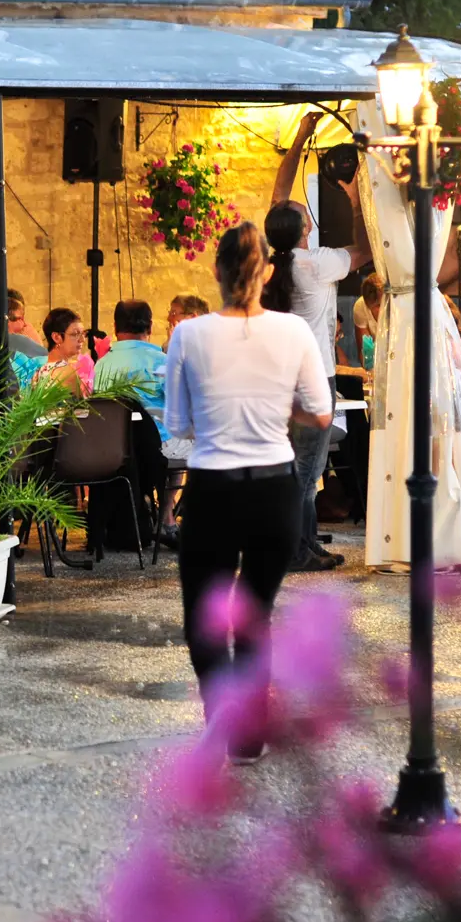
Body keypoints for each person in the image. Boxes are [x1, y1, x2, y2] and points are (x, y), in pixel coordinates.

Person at [163, 222, 332, 764]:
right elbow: (322, 411)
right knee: (255, 612)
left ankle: (223, 720)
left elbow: (178, 425)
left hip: (213, 490)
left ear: (216, 272)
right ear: (267, 273)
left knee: (203, 614)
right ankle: (249, 736)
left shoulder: (187, 335)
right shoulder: (294, 332)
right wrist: (280, 408)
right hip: (275, 492)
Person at [267, 111, 372, 573]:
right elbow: (366, 249)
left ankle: (303, 543)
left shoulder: (279, 263)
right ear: (302, 228)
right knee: (307, 470)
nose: (307, 213)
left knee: (293, 463)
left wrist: (299, 139)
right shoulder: (318, 264)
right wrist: (355, 199)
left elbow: (278, 193)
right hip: (313, 376)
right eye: (303, 214)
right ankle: (297, 549)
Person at [90, 298, 169, 551]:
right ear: (151, 325)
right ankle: (167, 520)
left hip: (110, 455)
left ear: (115, 327)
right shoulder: (160, 361)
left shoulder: (101, 365)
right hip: (155, 455)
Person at [34, 307, 88, 393]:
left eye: (83, 334)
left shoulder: (39, 371)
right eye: (75, 334)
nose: (82, 339)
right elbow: (81, 406)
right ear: (56, 337)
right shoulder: (66, 373)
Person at [353, 273, 384, 370]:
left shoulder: (396, 308)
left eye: (380, 305)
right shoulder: (360, 307)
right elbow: (365, 353)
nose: (379, 311)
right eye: (375, 307)